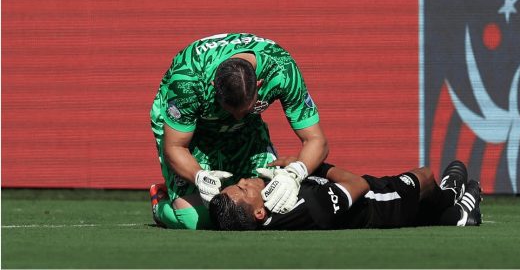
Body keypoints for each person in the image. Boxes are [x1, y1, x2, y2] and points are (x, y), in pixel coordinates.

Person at [149, 33, 329, 230]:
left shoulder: (282, 70)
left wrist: (295, 174)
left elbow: (316, 140)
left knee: (273, 207)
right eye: (230, 110)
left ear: (259, 85)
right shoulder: (188, 80)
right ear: (213, 87)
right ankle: (162, 204)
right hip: (192, 130)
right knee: (194, 219)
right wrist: (198, 175)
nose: (236, 118)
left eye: (247, 109)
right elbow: (175, 146)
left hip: (248, 129)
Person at [209, 160, 482, 230]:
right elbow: (358, 184)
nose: (245, 180)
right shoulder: (309, 207)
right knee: (425, 177)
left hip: (361, 206)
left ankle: (453, 214)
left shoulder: (269, 210)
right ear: (259, 213)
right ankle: (454, 205)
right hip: (377, 203)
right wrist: (308, 167)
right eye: (244, 189)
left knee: (423, 208)